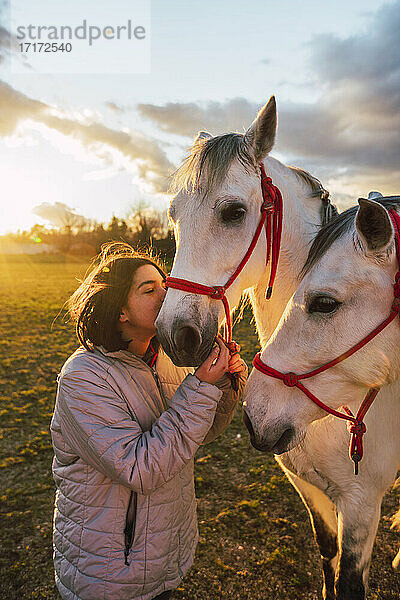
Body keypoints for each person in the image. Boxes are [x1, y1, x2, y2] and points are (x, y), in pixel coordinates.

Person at [50, 242, 247, 600]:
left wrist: (221, 383)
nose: (165, 294)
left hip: (162, 553)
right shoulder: (83, 377)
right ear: (120, 311)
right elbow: (141, 467)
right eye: (149, 289)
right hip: (109, 570)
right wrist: (200, 388)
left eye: (164, 285)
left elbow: (198, 434)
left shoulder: (166, 360)